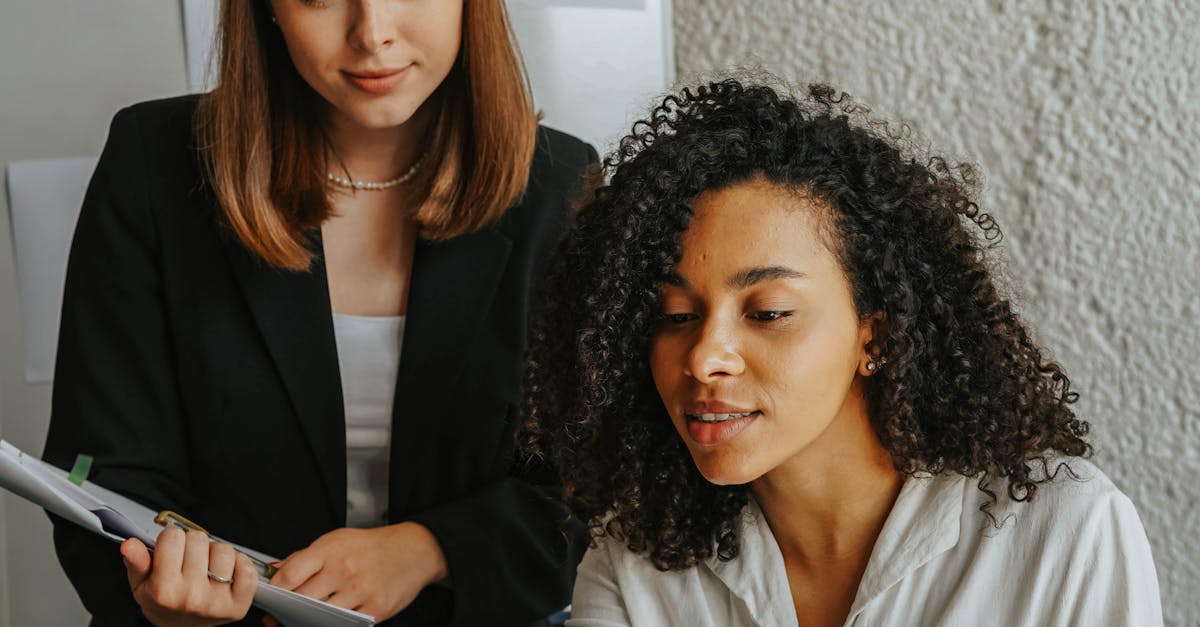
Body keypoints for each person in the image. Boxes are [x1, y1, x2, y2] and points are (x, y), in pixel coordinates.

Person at [521, 78, 1163, 626]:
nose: (704, 358)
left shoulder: (1065, 532)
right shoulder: (636, 563)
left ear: (875, 336)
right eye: (675, 316)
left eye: (768, 313)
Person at [42, 1, 594, 625]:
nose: (373, 34)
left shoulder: (563, 185)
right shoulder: (153, 161)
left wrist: (428, 549)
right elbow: (97, 474)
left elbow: (590, 492)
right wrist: (159, 601)